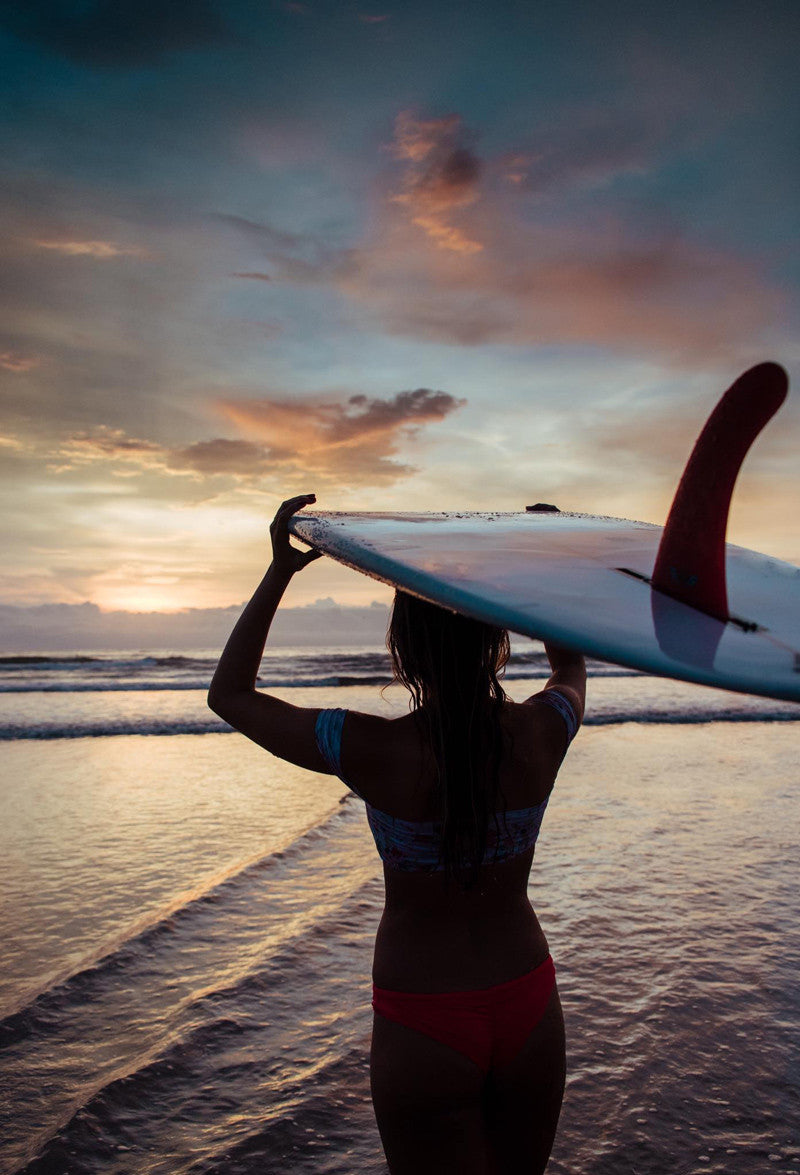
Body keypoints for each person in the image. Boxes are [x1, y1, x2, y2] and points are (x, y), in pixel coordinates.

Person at [208, 494, 586, 1175]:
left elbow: (230, 694)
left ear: (404, 646)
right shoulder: (541, 732)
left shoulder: (370, 747)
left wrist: (279, 573)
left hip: (424, 1019)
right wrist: (546, 563)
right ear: (498, 641)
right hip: (528, 999)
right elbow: (570, 670)